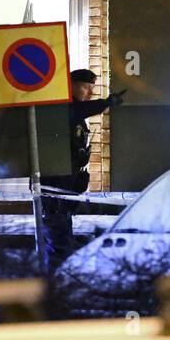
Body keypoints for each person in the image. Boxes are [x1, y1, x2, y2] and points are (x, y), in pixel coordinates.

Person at [41, 69, 125, 258]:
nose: (90, 92)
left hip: (68, 176)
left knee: (63, 221)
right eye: (86, 87)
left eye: (92, 88)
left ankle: (62, 259)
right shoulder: (61, 107)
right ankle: (57, 266)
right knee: (57, 223)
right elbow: (76, 110)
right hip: (56, 178)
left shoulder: (76, 112)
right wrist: (105, 103)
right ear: (70, 85)